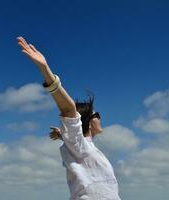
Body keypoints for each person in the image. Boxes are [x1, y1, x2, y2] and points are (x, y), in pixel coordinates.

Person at [17, 36, 121, 200]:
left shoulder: (81, 146)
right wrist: (46, 71)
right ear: (87, 120)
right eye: (97, 115)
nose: (100, 118)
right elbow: (68, 109)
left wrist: (63, 135)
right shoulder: (81, 146)